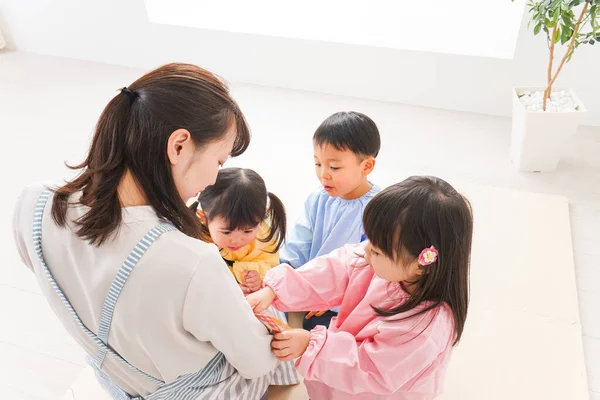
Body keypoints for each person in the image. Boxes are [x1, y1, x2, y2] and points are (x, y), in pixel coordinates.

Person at [12, 63, 278, 399]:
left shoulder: (33, 204)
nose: (213, 179)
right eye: (220, 162)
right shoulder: (191, 260)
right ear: (178, 146)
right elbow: (257, 363)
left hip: (119, 383)